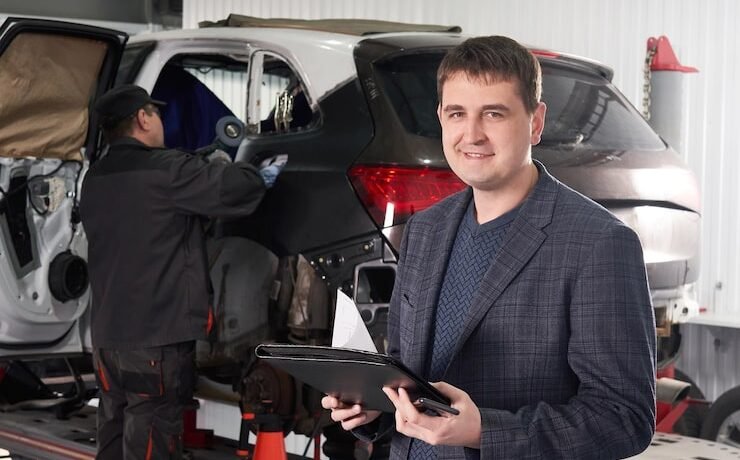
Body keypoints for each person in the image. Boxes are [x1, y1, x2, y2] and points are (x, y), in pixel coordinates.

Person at [322, 36, 656, 459]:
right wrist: (373, 410)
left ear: (536, 122)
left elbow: (623, 418)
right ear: (441, 117)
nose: (472, 134)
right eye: (457, 113)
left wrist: (485, 431)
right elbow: (409, 382)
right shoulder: (425, 230)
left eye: (494, 114)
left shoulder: (598, 244)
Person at [80, 84, 280, 459]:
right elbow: (236, 190)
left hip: (108, 341)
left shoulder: (95, 178)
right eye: (156, 114)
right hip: (155, 338)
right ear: (143, 117)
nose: (160, 121)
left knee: (114, 432)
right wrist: (257, 172)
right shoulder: (166, 170)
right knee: (153, 434)